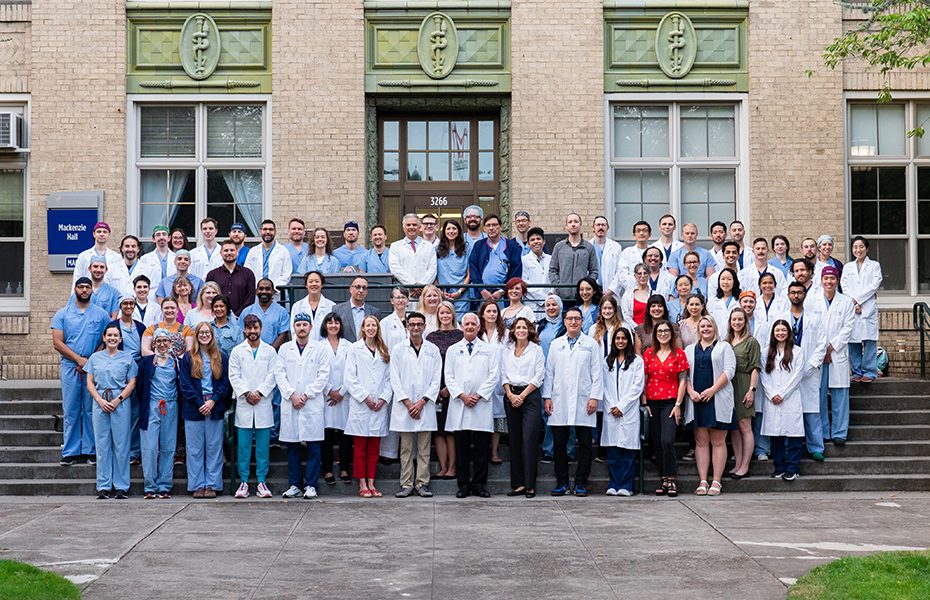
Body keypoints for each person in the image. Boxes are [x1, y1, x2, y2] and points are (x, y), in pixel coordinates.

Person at [543, 306, 603, 497]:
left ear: (582, 321)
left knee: (585, 443)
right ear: (564, 321)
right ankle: (562, 483)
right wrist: (547, 397)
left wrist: (594, 397)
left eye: (577, 318)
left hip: (584, 399)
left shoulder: (591, 344)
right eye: (570, 318)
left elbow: (597, 373)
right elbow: (549, 373)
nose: (573, 322)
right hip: (559, 399)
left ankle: (580, 483)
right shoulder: (555, 344)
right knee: (559, 443)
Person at [52, 278, 112, 466]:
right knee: (71, 408)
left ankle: (90, 450)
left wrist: (90, 361)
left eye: (87, 287)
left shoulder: (101, 315)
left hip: (92, 368)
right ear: (75, 289)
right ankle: (70, 451)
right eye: (81, 287)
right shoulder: (62, 314)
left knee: (90, 408)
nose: (84, 290)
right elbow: (57, 342)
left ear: (91, 291)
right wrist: (79, 360)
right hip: (71, 367)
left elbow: (107, 340)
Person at [274, 312, 331, 500]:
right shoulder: (284, 349)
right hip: (291, 403)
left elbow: (323, 375)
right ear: (294, 328)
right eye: (298, 325)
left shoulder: (320, 349)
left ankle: (311, 485)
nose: (301, 328)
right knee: (293, 445)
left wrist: (306, 395)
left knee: (314, 446)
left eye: (305, 325)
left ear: (311, 327)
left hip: (311, 403)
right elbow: (279, 374)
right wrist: (292, 395)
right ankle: (295, 484)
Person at [445, 312, 501, 499]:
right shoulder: (453, 350)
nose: (469, 326)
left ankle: (479, 484)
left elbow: (494, 375)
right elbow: (449, 376)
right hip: (460, 404)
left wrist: (477, 395)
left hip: (480, 404)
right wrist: (462, 395)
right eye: (466, 324)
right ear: (462, 327)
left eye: (473, 324)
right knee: (461, 449)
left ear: (479, 327)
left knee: (481, 449)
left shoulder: (488, 350)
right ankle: (463, 485)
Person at [389, 312, 442, 498]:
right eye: (412, 324)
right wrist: (408, 403)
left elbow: (436, 379)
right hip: (405, 406)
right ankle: (406, 484)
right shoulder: (398, 349)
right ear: (407, 326)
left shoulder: (433, 350)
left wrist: (421, 402)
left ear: (425, 326)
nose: (416, 328)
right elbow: (394, 379)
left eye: (419, 324)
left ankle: (422, 484)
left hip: (424, 406)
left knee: (424, 449)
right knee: (405, 449)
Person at [683, 315, 736, 497]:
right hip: (697, 399)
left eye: (709, 326)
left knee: (718, 441)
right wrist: (690, 392)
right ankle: (703, 480)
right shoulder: (689, 349)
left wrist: (712, 390)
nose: (705, 329)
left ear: (714, 328)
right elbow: (683, 374)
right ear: (698, 329)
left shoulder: (724, 347)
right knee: (701, 441)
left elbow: (729, 371)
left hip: (717, 398)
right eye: (702, 326)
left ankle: (716, 481)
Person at [85, 324, 138, 499]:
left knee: (121, 444)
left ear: (120, 339)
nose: (112, 338)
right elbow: (90, 382)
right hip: (100, 401)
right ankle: (104, 485)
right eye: (109, 335)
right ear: (104, 337)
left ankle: (122, 486)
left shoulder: (127, 358)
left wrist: (118, 400)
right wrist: (99, 400)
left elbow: (132, 382)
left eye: (116, 335)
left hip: (120, 401)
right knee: (102, 444)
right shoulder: (95, 358)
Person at [178, 322, 230, 498]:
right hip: (194, 407)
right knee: (194, 449)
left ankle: (212, 485)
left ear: (212, 335)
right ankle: (198, 485)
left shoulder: (221, 357)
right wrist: (200, 402)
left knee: (214, 447)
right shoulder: (188, 357)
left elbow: (225, 382)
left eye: (208, 332)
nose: (204, 335)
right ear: (197, 335)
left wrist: (213, 401)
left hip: (214, 406)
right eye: (201, 332)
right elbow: (184, 384)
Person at [229, 314, 278, 498]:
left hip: (263, 403)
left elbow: (273, 375)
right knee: (243, 446)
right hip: (244, 403)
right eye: (249, 328)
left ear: (261, 329)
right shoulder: (237, 351)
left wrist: (260, 393)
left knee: (263, 447)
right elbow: (233, 376)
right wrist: (247, 393)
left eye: (255, 327)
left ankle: (261, 482)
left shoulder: (270, 351)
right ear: (244, 330)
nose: (252, 331)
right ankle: (243, 482)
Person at [344, 315, 393, 498]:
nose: (371, 328)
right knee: (360, 450)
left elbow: (389, 379)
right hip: (361, 406)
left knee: (374, 450)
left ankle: (372, 483)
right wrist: (365, 398)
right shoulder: (355, 349)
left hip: (378, 407)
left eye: (374, 325)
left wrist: (382, 399)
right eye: (368, 325)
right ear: (363, 328)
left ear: (377, 328)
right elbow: (350, 378)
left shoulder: (383, 350)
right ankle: (362, 483)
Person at [642, 319, 688, 497]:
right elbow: (643, 380)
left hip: (670, 400)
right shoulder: (648, 354)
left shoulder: (679, 354)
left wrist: (678, 404)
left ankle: (672, 479)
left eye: (666, 331)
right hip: (652, 401)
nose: (663, 334)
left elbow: (683, 380)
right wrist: (645, 403)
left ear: (672, 334)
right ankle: (663, 479)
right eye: (659, 331)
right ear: (655, 334)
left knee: (667, 441)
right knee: (657, 443)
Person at [501, 316, 545, 498]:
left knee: (529, 439)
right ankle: (518, 484)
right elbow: (503, 374)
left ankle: (529, 485)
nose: (521, 330)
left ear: (529, 331)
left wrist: (522, 396)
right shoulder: (508, 350)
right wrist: (511, 395)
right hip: (511, 396)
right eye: (518, 327)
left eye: (524, 328)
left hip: (530, 396)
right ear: (513, 331)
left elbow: (539, 376)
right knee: (515, 441)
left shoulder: (536, 350)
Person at [813, 266, 855, 445]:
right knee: (820, 395)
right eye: (826, 278)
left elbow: (848, 328)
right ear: (821, 280)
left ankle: (839, 432)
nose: (829, 282)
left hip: (837, 354)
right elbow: (811, 327)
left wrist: (831, 347)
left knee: (840, 394)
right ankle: (823, 432)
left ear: (837, 280)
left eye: (832, 278)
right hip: (819, 355)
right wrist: (823, 350)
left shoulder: (846, 302)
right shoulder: (812, 301)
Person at [786, 282, 828, 461]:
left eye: (799, 293)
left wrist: (810, 366)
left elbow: (822, 343)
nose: (796, 295)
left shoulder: (815, 317)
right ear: (788, 295)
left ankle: (815, 447)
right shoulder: (781, 317)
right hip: (786, 371)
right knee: (788, 411)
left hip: (808, 372)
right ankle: (788, 447)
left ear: (805, 295)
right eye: (793, 293)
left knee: (811, 411)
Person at [138, 328, 181, 498]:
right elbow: (140, 387)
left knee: (168, 446)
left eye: (166, 341)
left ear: (171, 343)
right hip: (151, 407)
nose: (162, 344)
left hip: (171, 407)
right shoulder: (147, 362)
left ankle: (164, 485)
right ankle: (150, 486)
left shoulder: (176, 362)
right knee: (149, 447)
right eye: (159, 341)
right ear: (154, 343)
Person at [602, 327, 646, 496]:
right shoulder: (607, 360)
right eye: (617, 338)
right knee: (613, 451)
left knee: (627, 451)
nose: (620, 341)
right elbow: (604, 386)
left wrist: (622, 406)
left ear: (629, 341)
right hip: (611, 410)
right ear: (613, 341)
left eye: (624, 338)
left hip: (628, 411)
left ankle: (626, 485)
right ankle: (614, 483)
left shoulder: (637, 361)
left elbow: (637, 387)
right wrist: (613, 405)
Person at [760, 321, 805, 481]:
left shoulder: (797, 351)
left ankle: (793, 468)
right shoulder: (766, 352)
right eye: (777, 330)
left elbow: (798, 375)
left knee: (794, 434)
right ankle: (780, 467)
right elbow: (763, 375)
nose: (780, 333)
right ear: (773, 332)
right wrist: (772, 394)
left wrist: (783, 394)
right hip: (772, 398)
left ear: (788, 332)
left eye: (783, 330)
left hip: (790, 398)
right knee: (776, 434)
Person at [426, 302, 464, 481]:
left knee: (451, 430)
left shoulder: (461, 336)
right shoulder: (431, 337)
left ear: (453, 314)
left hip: (454, 389)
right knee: (438, 430)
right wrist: (435, 388)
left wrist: (450, 387)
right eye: (442, 313)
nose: (445, 316)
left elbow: (463, 366)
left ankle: (452, 467)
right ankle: (442, 467)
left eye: (448, 312)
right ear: (438, 315)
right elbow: (428, 364)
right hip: (436, 390)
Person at [108, 294, 145, 465]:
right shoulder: (114, 326)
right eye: (125, 304)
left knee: (136, 412)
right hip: (119, 369)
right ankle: (118, 450)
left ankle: (134, 452)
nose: (129, 306)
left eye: (131, 303)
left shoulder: (141, 327)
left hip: (137, 369)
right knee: (120, 411)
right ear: (120, 306)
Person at [841, 236, 883, 383]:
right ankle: (857, 372)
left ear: (867, 248)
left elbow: (874, 285)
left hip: (867, 307)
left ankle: (870, 372)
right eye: (855, 247)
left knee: (869, 341)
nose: (858, 250)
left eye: (861, 247)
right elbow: (844, 286)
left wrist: (857, 300)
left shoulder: (874, 266)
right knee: (853, 342)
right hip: (852, 307)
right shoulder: (848, 267)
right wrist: (853, 303)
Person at [724, 308, 760, 479]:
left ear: (745, 322)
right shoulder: (726, 341)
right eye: (734, 319)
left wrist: (751, 390)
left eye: (740, 319)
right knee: (734, 429)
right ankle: (737, 463)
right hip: (728, 387)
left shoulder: (751, 342)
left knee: (745, 426)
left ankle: (745, 465)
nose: (737, 322)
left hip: (744, 384)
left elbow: (755, 368)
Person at [319, 312, 353, 485]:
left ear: (341, 326)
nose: (333, 325)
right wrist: (329, 391)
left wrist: (342, 392)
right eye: (330, 322)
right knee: (326, 436)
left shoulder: (349, 346)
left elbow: (353, 371)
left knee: (344, 436)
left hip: (344, 396)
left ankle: (344, 468)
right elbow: (316, 373)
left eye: (336, 322)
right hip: (326, 396)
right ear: (325, 325)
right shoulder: (319, 347)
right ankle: (327, 470)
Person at [536, 294, 570, 464]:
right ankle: (549, 451)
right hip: (543, 375)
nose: (551, 308)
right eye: (548, 305)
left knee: (566, 411)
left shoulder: (567, 325)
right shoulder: (541, 325)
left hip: (563, 374)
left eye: (554, 305)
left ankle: (568, 451)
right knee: (547, 412)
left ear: (560, 307)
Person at [378, 286, 410, 465]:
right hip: (391, 371)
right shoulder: (385, 323)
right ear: (391, 301)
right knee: (390, 413)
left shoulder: (414, 320)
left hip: (412, 373)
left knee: (408, 412)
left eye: (403, 297)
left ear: (407, 300)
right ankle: (388, 453)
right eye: (397, 297)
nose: (400, 300)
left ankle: (408, 454)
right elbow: (382, 347)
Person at [468, 213, 523, 307]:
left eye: (494, 225)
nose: (491, 228)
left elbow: (516, 271)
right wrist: (482, 290)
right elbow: (473, 268)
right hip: (483, 295)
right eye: (488, 225)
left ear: (500, 227)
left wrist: (502, 291)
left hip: (504, 296)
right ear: (484, 229)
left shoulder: (511, 246)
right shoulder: (479, 246)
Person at [477, 299, 507, 464]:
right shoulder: (476, 332)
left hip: (498, 382)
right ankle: (482, 451)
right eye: (488, 311)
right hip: (479, 381)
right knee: (481, 417)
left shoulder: (505, 333)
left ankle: (494, 452)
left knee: (497, 417)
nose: (491, 314)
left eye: (494, 311)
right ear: (482, 314)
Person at [548, 213, 598, 301]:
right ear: (566, 226)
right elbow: (552, 270)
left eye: (576, 221)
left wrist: (586, 287)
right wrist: (559, 286)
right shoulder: (559, 247)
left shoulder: (589, 247)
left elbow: (594, 271)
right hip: (563, 297)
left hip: (583, 297)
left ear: (581, 225)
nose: (573, 224)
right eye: (570, 222)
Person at [389, 214, 437, 299]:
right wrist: (413, 284)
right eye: (408, 225)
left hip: (424, 292)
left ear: (419, 227)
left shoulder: (429, 246)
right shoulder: (395, 246)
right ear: (403, 228)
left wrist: (422, 286)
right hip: (404, 292)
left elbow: (432, 269)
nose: (411, 227)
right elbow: (395, 268)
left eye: (414, 225)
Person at [205, 239, 256, 316]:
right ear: (221, 253)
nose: (229, 253)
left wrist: (237, 315)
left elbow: (250, 299)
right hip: (218, 318)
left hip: (241, 319)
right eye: (226, 250)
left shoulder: (248, 274)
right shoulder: (212, 275)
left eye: (232, 250)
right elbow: (208, 298)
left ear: (237, 252)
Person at [245, 220, 292, 296]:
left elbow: (286, 274)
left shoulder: (284, 251)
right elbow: (248, 273)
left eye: (270, 229)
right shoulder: (253, 251)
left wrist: (272, 289)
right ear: (260, 232)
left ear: (275, 232)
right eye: (265, 229)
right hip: (257, 294)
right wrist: (259, 289)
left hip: (277, 294)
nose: (267, 232)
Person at [107, 235, 158, 303]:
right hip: (118, 309)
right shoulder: (111, 269)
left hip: (140, 310)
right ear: (122, 248)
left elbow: (152, 293)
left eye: (133, 246)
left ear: (138, 249)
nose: (130, 249)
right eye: (127, 246)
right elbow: (108, 291)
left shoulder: (149, 269)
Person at [435, 219, 471, 315]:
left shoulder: (467, 249)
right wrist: (440, 292)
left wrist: (459, 292)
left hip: (461, 295)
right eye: (448, 229)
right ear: (444, 231)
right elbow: (433, 273)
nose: (451, 231)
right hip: (443, 294)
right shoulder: (436, 250)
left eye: (454, 228)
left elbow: (469, 274)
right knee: (444, 323)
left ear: (459, 231)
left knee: (460, 325)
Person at [333, 276, 382, 343]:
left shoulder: (375, 312)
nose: (361, 290)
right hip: (345, 351)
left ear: (367, 292)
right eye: (358, 287)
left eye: (364, 288)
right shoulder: (337, 310)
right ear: (350, 289)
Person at [610, 221, 653, 295]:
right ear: (634, 235)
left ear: (649, 235)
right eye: (638, 231)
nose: (641, 233)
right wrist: (637, 287)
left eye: (644, 230)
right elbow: (622, 275)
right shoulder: (627, 252)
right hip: (632, 292)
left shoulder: (655, 252)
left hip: (651, 291)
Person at [72, 221, 121, 286]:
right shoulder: (83, 256)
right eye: (99, 232)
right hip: (88, 293)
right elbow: (77, 278)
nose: (102, 234)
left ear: (109, 235)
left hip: (110, 294)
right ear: (94, 234)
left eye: (105, 232)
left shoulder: (117, 257)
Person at [289, 271, 335, 339]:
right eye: (310, 281)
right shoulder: (297, 306)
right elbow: (294, 331)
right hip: (303, 346)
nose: (313, 284)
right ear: (306, 285)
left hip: (324, 347)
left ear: (322, 284)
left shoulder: (331, 306)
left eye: (317, 281)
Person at [521, 227, 551, 317]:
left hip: (549, 304)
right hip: (532, 304)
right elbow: (525, 282)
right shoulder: (523, 260)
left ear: (544, 241)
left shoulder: (551, 259)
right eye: (532, 240)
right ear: (529, 244)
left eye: (538, 239)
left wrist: (551, 294)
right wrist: (544, 298)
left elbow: (555, 279)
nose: (536, 242)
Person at [589, 216, 622, 292]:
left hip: (610, 291)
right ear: (593, 228)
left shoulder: (616, 247)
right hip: (591, 291)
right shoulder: (587, 246)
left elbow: (619, 271)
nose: (601, 227)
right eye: (598, 225)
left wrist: (611, 290)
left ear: (608, 228)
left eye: (603, 225)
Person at [621, 263, 652, 331]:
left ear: (649, 275)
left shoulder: (655, 294)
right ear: (635, 276)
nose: (642, 276)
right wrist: (638, 329)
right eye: (639, 274)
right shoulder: (628, 295)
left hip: (651, 331)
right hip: (634, 331)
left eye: (645, 273)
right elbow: (626, 316)